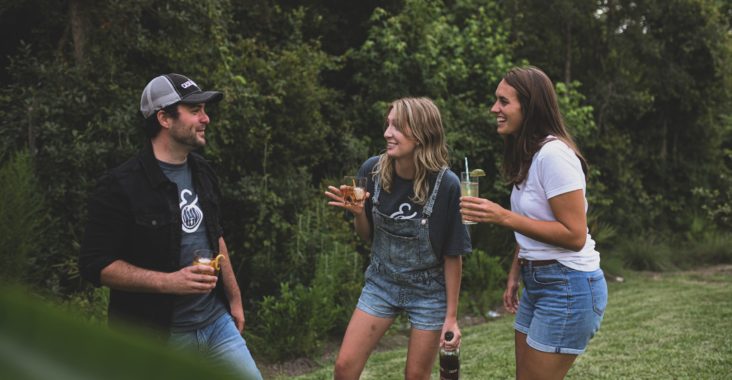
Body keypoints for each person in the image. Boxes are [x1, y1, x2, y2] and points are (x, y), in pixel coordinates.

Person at [79, 73, 263, 379]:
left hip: (217, 324)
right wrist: (169, 282)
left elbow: (214, 234)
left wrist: (234, 297)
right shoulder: (120, 186)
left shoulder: (202, 170)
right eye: (195, 111)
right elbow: (94, 265)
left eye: (205, 110)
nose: (206, 119)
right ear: (164, 118)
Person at [460, 66, 608, 379]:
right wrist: (517, 271)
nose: (494, 109)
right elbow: (533, 222)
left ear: (529, 107)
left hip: (568, 285)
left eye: (503, 101)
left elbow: (574, 235)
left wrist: (501, 215)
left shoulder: (554, 155)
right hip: (538, 281)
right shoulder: (531, 154)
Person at [325, 97, 471, 380]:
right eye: (388, 124)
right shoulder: (372, 171)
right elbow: (367, 236)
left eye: (397, 127)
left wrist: (451, 317)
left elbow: (453, 254)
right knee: (344, 367)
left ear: (420, 134)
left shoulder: (448, 186)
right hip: (382, 281)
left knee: (415, 376)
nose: (387, 133)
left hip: (428, 291)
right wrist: (358, 214)